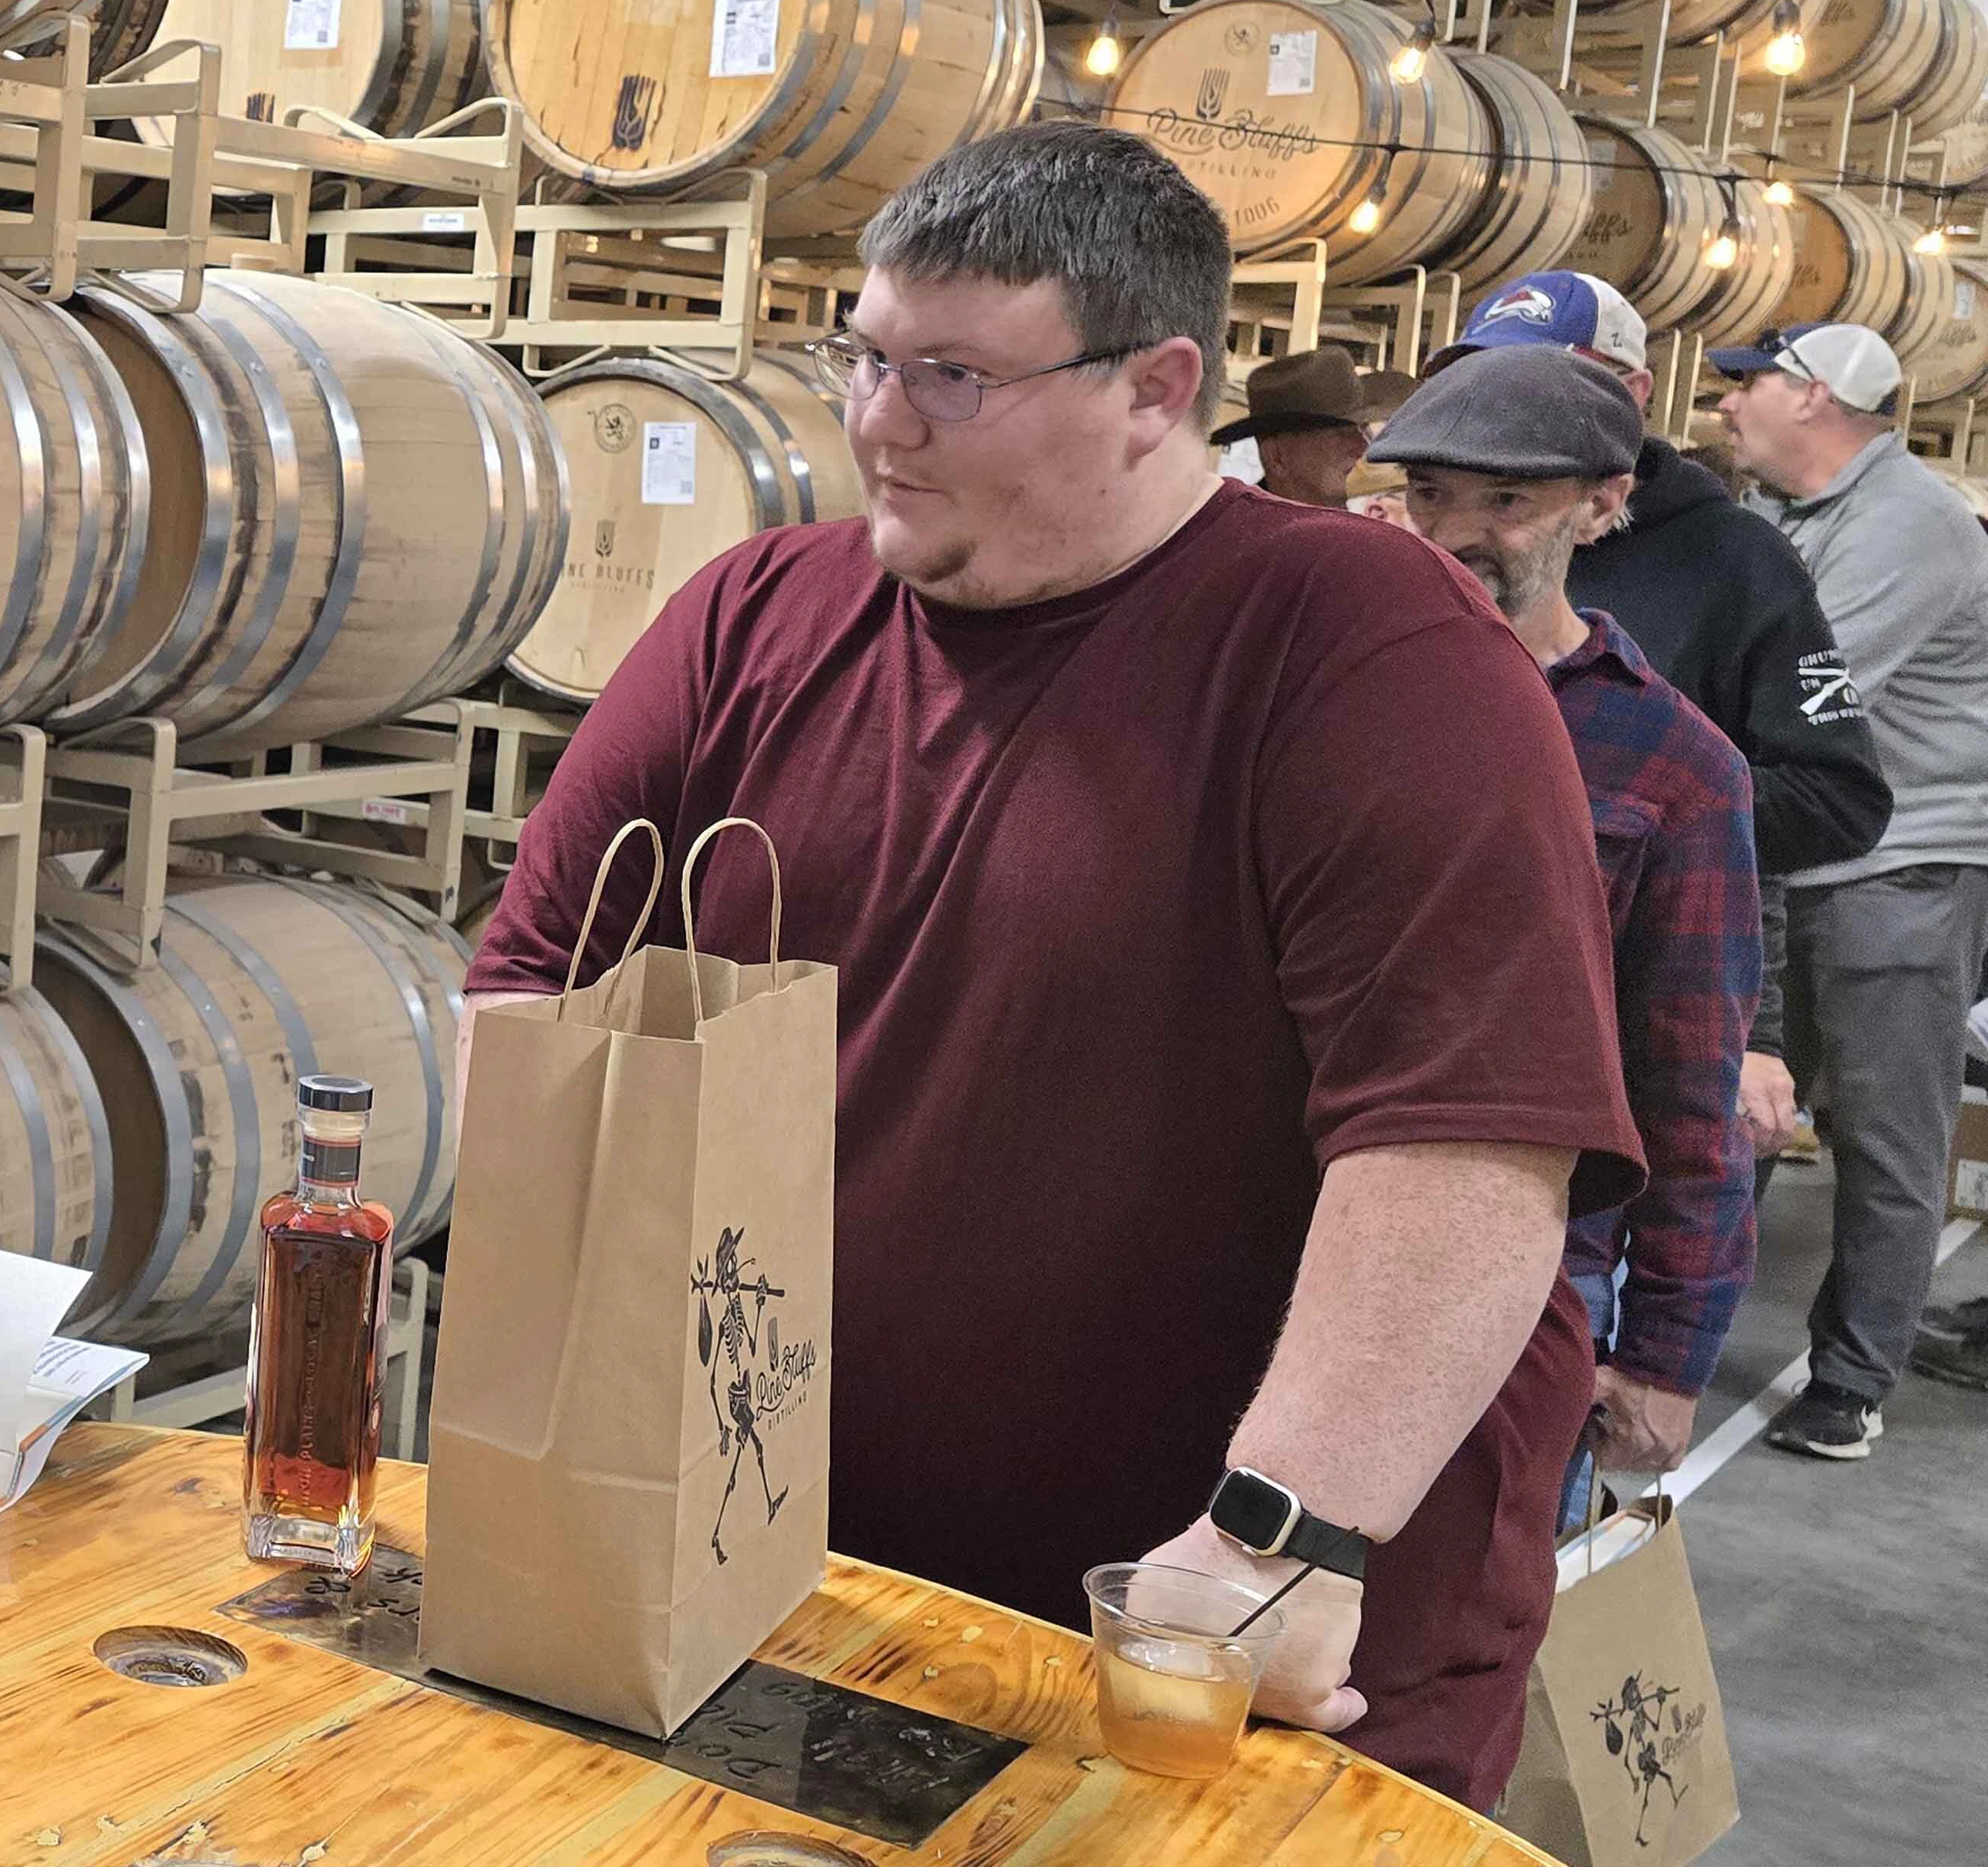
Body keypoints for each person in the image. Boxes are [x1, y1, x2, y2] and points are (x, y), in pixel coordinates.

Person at [466, 122, 1642, 1809]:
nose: (879, 421)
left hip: (1214, 1633)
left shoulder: (1369, 651)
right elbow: (530, 998)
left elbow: (1466, 1147)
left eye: (952, 376)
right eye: (866, 356)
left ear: (1158, 389)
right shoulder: (752, 616)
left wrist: (1274, 1540)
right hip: (791, 1580)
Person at [1377, 349, 1761, 1518]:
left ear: (1603, 506)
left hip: (1527, 1281)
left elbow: (1687, 1081)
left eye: (1506, 500)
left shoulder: (1677, 765)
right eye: (1431, 494)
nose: (1456, 533)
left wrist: (1666, 1354)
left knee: (1477, 1600)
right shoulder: (1334, 692)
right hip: (1281, 1236)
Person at [1436, 273, 1888, 1172]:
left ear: (1633, 394)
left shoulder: (1736, 560)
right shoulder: (1431, 551)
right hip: (1455, 995)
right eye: (1481, 376)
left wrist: (1639, 812)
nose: (1506, 406)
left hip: (1645, 1014)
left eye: (1547, 379)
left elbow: (1836, 797)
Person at [1708, 321, 1988, 1456]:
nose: (1727, 404)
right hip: (1788, 860)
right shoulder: (1785, 516)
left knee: (1882, 1137)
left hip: (1900, 868)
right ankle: (1678, 1336)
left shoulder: (1911, 524)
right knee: (1737, 1108)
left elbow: (1799, 691)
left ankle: (1851, 1383)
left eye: (1750, 384)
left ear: (1816, 396)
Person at [1211, 347, 1384, 508]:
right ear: (1276, 456)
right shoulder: (1240, 529)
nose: (1363, 446)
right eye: (1340, 433)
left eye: (1362, 429)